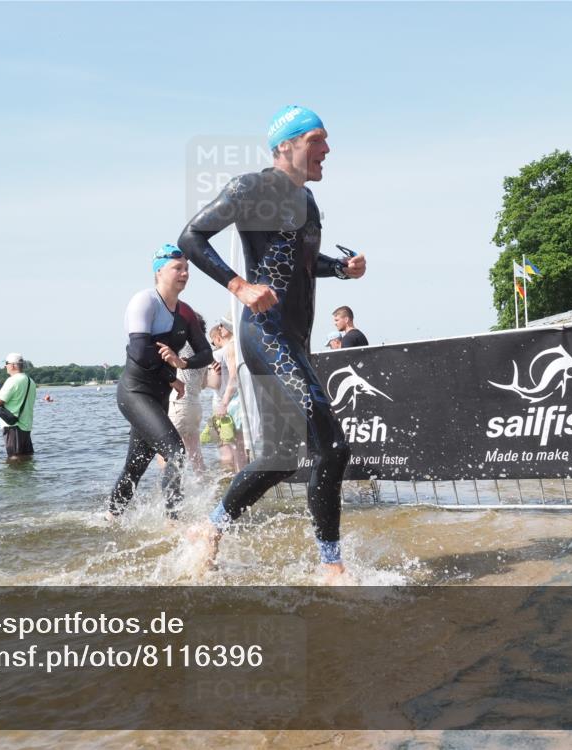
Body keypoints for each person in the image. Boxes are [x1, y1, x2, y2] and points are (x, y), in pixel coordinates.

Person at [178, 105, 366, 582]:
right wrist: (238, 287)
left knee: (280, 458)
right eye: (318, 139)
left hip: (294, 339)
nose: (328, 149)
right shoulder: (254, 188)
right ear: (286, 145)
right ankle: (332, 567)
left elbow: (301, 261)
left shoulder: (308, 203)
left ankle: (210, 527)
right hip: (266, 334)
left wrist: (340, 268)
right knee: (333, 447)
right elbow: (191, 237)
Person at [108, 245, 213, 518]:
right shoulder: (145, 301)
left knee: (136, 465)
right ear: (159, 271)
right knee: (175, 451)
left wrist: (183, 364)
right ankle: (172, 522)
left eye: (187, 268)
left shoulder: (186, 312)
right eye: (177, 268)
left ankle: (111, 517)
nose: (185, 273)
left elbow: (206, 353)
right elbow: (139, 352)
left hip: (158, 398)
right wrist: (171, 376)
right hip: (135, 392)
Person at [163, 314, 209, 475]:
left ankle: (169, 491)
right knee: (196, 455)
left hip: (178, 404)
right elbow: (203, 385)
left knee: (165, 451)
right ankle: (204, 490)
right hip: (195, 406)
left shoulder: (182, 345)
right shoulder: (204, 349)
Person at [206, 318, 247, 474]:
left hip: (222, 402)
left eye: (212, 342)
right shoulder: (241, 347)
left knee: (224, 446)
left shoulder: (218, 354)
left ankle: (229, 479)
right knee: (240, 446)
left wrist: (204, 381)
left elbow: (216, 383)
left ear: (217, 338)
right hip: (237, 400)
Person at [0, 353, 36, 460]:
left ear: (12, 365)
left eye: (6, 364)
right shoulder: (31, 381)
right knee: (27, 459)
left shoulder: (12, 380)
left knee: (14, 460)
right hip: (26, 426)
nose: (5, 367)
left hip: (13, 427)